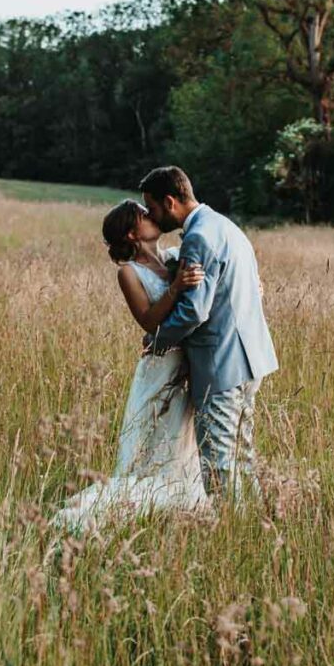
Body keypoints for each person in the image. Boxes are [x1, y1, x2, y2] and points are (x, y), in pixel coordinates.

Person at [52, 198, 209, 530]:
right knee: (152, 448)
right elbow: (149, 322)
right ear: (132, 233)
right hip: (159, 369)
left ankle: (176, 508)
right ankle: (119, 511)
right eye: (142, 214)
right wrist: (177, 287)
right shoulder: (129, 273)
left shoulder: (171, 258)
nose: (151, 216)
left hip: (188, 365)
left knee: (183, 444)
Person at [140, 166, 278, 500]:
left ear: (171, 201)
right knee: (241, 455)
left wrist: (155, 341)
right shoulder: (224, 226)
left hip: (220, 363)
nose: (152, 217)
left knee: (218, 463)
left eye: (153, 208)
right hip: (250, 358)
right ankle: (251, 526)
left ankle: (233, 532)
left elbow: (195, 311)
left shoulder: (199, 237)